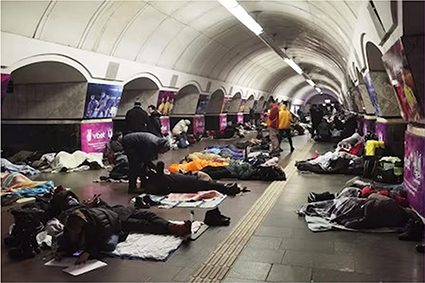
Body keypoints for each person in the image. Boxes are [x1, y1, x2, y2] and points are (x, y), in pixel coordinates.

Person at [55, 205, 191, 264]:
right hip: (118, 214)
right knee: (144, 224)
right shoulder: (71, 224)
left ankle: (172, 227)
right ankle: (173, 227)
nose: (74, 232)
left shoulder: (97, 223)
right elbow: (68, 239)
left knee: (147, 216)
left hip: (116, 220)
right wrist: (62, 251)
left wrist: (88, 252)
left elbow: (101, 236)